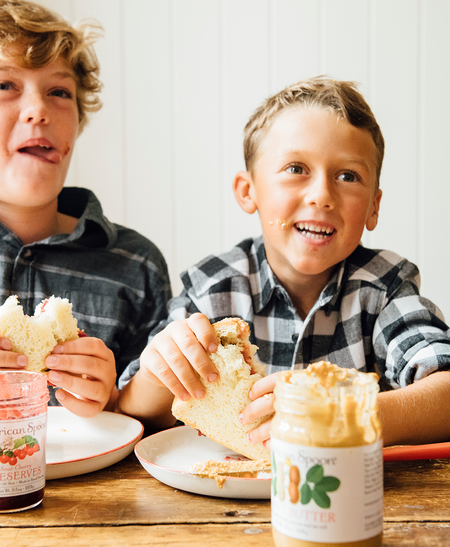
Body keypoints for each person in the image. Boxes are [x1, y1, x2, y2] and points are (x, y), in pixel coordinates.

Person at [116, 76, 450, 447]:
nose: (322, 195)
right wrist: (157, 370)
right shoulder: (214, 287)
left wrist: (348, 414)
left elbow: (446, 393)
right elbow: (135, 411)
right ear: (249, 191)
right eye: (296, 169)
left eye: (347, 176)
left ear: (373, 207)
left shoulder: (383, 286)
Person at [0, 0, 171, 417]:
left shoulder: (136, 266)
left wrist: (114, 401)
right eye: (4, 85)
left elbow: (154, 430)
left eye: (58, 91)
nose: (38, 110)